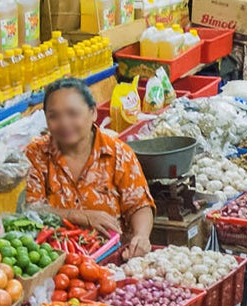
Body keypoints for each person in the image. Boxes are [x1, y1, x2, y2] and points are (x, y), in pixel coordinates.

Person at [25, 77, 155, 257]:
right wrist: (79, 215)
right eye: (54, 116)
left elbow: (139, 204)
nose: (64, 123)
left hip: (113, 256)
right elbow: (32, 209)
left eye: (72, 113)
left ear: (93, 112)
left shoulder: (117, 153)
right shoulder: (37, 154)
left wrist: (141, 237)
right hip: (57, 257)